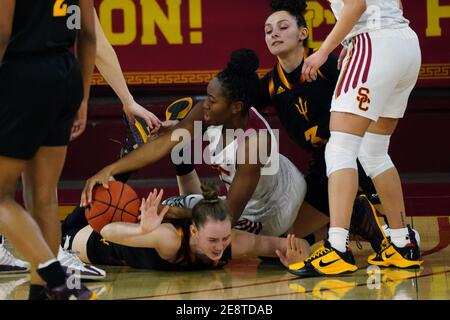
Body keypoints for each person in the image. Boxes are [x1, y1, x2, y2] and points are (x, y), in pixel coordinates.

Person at [81, 48, 311, 239]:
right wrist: (109, 169)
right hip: (249, 194)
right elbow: (162, 145)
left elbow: (228, 215)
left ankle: (280, 242)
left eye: (212, 100)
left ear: (236, 107)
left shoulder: (254, 145)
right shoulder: (209, 112)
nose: (205, 105)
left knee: (190, 230)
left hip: (268, 211)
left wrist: (173, 213)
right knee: (173, 205)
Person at [289, 0, 422, 277]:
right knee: (374, 151)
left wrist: (323, 52)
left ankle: (337, 248)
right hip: (405, 44)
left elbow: (356, 5)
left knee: (339, 148)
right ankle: (402, 243)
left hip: (372, 41)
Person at [259, 0, 388, 251]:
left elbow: (366, 102)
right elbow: (233, 104)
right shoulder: (271, 85)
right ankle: (352, 219)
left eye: (283, 27)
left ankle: (374, 218)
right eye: (268, 30)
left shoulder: (327, 65)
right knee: (281, 246)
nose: (274, 33)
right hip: (322, 169)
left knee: (394, 228)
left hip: (356, 156)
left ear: (303, 34)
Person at [0, 0, 96, 299]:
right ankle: (41, 293)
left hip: (21, 75)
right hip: (65, 74)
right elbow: (89, 34)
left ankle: (57, 279)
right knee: (44, 198)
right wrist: (82, 97)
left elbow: (2, 35)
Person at [64, 185, 309, 270]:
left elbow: (288, 244)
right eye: (213, 240)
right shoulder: (171, 239)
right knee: (62, 235)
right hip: (95, 244)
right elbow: (106, 231)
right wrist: (142, 230)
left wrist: (300, 257)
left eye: (224, 238)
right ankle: (126, 159)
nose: (220, 246)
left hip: (120, 236)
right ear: (194, 231)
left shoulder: (232, 242)